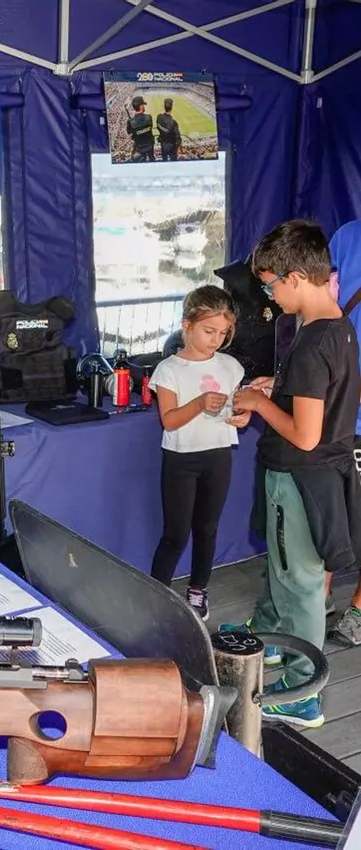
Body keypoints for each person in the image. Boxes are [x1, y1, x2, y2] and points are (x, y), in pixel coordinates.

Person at [220, 220, 361, 728]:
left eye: (270, 286)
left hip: (300, 476)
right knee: (284, 569)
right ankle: (273, 638)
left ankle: (305, 692)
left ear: (296, 277)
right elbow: (321, 394)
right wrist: (277, 386)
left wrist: (260, 403)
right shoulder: (338, 327)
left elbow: (305, 434)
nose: (269, 296)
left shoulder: (310, 343)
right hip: (320, 475)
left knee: (301, 582)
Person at [148, 286, 248, 620]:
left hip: (218, 455)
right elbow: (170, 420)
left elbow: (238, 407)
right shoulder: (169, 370)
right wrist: (200, 403)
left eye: (223, 333)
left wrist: (243, 416)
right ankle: (156, 594)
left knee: (207, 528)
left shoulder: (231, 366)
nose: (216, 339)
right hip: (181, 459)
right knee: (175, 533)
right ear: (187, 325)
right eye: (209, 331)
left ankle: (198, 589)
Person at [323, 220, 361, 645]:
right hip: (335, 404)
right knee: (326, 508)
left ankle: (359, 610)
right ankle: (319, 597)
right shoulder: (347, 236)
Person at [126, 95, 154, 162]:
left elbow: (129, 132)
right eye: (143, 105)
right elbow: (150, 127)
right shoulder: (149, 117)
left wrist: (131, 123)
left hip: (139, 148)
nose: (144, 106)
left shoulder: (130, 122)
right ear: (141, 106)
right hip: (150, 145)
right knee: (152, 158)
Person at [156, 98, 182, 162]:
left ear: (164, 106)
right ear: (171, 107)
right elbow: (178, 138)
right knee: (173, 161)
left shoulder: (159, 117)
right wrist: (178, 148)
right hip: (172, 146)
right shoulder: (173, 122)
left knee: (164, 159)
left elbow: (158, 127)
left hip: (163, 144)